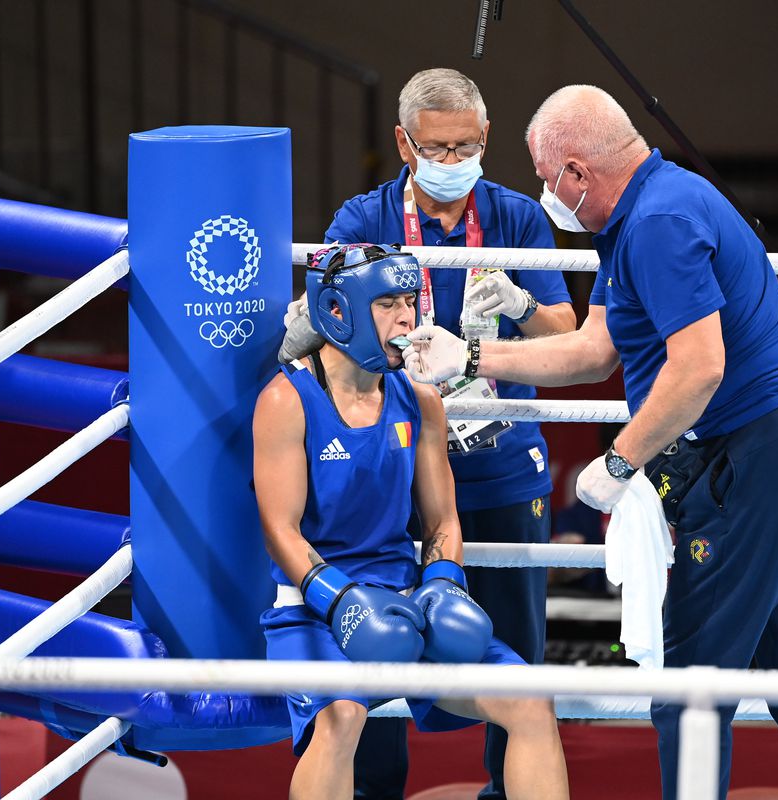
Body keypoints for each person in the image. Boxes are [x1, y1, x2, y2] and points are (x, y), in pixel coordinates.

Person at [402, 84, 778, 799]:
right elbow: (596, 350)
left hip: (761, 453)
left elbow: (701, 366)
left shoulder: (658, 221)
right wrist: (472, 359)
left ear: (577, 174)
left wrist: (623, 459)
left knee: (690, 689)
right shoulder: (646, 213)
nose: (543, 193)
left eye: (544, 176)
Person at [280, 67, 575, 800]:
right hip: (389, 457)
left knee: (507, 648)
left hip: (498, 452)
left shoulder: (517, 218)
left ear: (487, 138)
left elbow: (566, 331)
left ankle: (505, 792)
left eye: (466, 145)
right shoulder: (363, 217)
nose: (452, 161)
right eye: (436, 148)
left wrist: (516, 296)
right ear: (403, 144)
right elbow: (322, 318)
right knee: (373, 638)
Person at [254, 243, 569, 800]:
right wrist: (340, 598)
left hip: (408, 600)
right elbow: (281, 529)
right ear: (338, 310)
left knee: (530, 699)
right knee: (342, 718)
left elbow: (442, 516)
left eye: (410, 300)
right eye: (387, 304)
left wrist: (444, 581)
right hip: (313, 610)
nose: (408, 318)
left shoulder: (419, 397)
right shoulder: (288, 400)